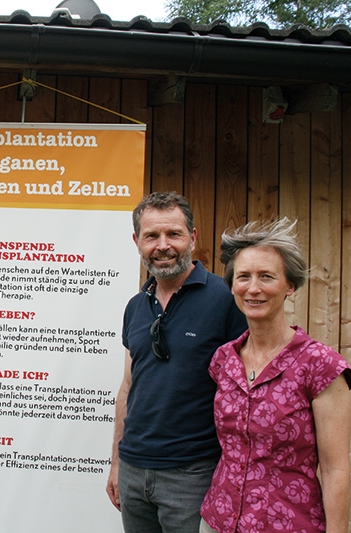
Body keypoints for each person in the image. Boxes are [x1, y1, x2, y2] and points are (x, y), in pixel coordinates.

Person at [200, 218, 351, 533]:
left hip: (286, 524)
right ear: (232, 286)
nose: (253, 288)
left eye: (267, 276)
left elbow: (336, 469)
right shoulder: (223, 360)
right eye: (243, 277)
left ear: (290, 285)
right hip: (218, 520)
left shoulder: (322, 366)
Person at [106, 192, 247, 533]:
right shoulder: (135, 306)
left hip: (194, 474)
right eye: (152, 236)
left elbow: (245, 391)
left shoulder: (226, 300)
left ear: (193, 238)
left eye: (174, 234)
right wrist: (116, 462)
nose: (163, 245)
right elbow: (128, 386)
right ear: (137, 241)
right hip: (134, 471)